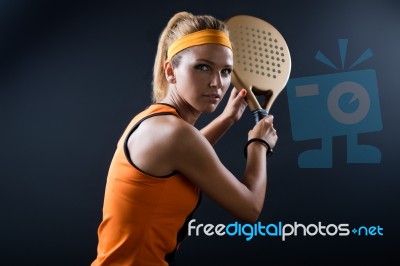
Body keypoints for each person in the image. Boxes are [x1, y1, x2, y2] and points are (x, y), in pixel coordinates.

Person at [91, 11, 278, 266]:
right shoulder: (176, 135)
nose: (217, 83)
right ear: (170, 71)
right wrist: (259, 144)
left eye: (226, 71)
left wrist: (227, 119)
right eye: (203, 67)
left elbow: (184, 158)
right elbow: (250, 208)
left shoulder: (154, 121)